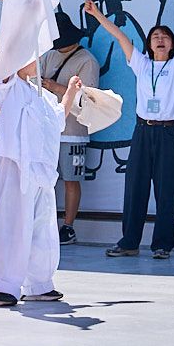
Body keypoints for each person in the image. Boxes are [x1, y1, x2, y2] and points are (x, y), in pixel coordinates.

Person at [92, 0, 174, 260]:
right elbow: (120, 36)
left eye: (165, 36)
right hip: (142, 131)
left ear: (172, 44)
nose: (160, 39)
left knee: (167, 190)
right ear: (149, 44)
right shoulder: (141, 64)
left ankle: (162, 245)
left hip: (168, 133)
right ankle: (129, 242)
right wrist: (96, 14)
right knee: (135, 188)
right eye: (155, 36)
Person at [0, 59, 112, 306]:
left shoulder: (41, 94)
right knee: (11, 222)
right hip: (15, 163)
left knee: (42, 226)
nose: (37, 60)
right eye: (30, 55)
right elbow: (4, 62)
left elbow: (58, 118)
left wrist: (71, 91)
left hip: (41, 167)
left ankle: (38, 283)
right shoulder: (8, 85)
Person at [39, 13, 98, 244]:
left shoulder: (87, 61)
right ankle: (44, 223)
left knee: (71, 180)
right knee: (44, 180)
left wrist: (55, 87)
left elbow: (89, 98)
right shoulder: (49, 55)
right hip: (47, 129)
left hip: (73, 132)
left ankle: (68, 226)